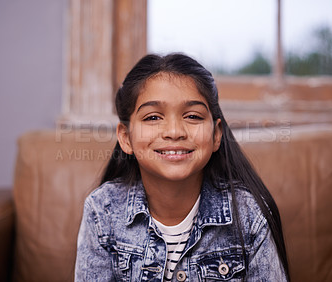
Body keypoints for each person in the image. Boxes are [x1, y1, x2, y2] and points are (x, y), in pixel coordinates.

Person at [75, 53, 289, 281]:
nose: (175, 131)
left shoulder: (248, 214)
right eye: (153, 118)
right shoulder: (102, 212)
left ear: (216, 135)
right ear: (126, 138)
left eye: (193, 116)